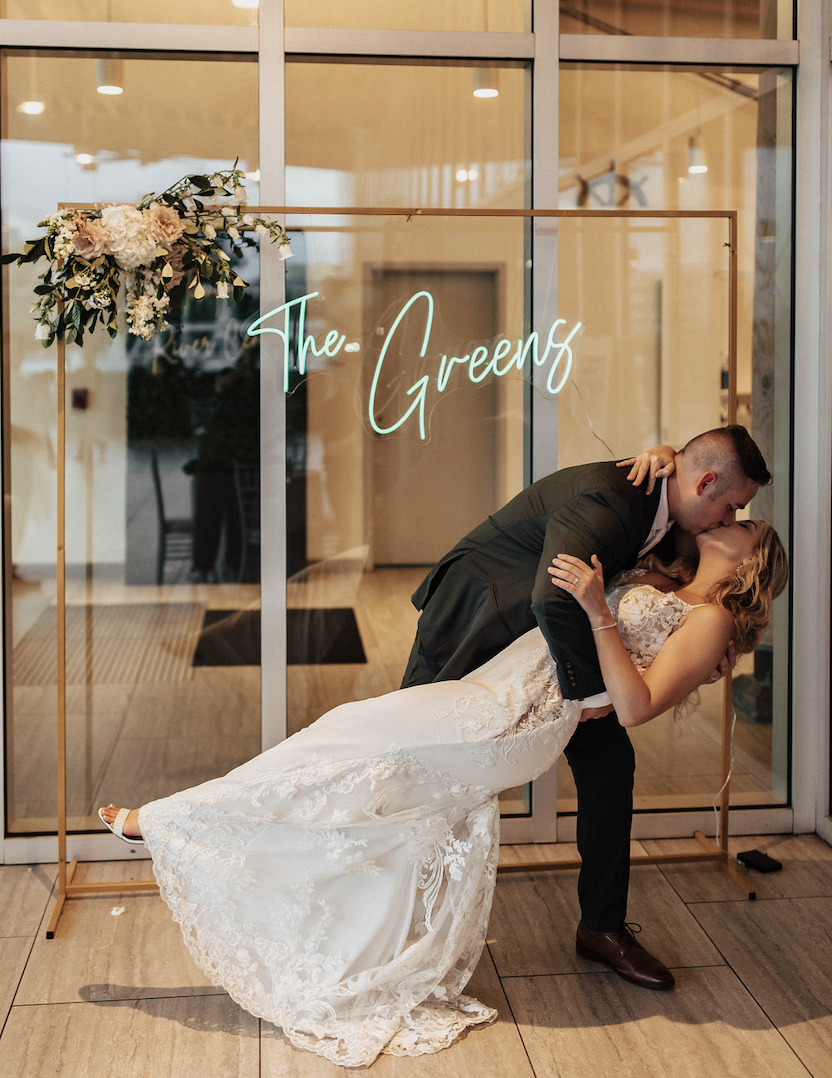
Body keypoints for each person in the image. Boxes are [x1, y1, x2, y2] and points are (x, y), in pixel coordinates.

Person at [99, 516, 787, 1067]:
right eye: (737, 508)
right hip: (499, 686)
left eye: (750, 526)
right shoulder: (663, 567)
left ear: (756, 562)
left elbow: (636, 707)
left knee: (345, 747)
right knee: (381, 797)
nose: (739, 517)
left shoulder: (712, 622)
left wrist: (594, 614)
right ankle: (347, 943)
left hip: (517, 715)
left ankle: (164, 822)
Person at [400, 425, 771, 990]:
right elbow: (553, 595)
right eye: (731, 507)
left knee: (610, 768)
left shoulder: (674, 512)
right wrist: (593, 695)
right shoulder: (619, 496)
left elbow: (688, 596)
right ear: (706, 482)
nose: (728, 520)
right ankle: (398, 914)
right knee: (414, 762)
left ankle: (601, 928)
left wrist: (699, 652)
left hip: (557, 660)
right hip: (478, 619)